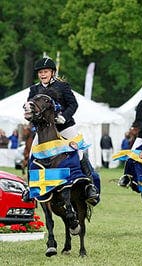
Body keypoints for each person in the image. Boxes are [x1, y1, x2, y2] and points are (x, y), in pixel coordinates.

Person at [25, 57, 98, 202]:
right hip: (44, 130)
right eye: (40, 72)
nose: (42, 75)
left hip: (64, 127)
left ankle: (90, 185)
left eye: (45, 72)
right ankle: (30, 187)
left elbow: (73, 104)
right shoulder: (34, 89)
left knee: (79, 151)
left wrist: (64, 116)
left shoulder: (62, 86)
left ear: (52, 72)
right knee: (32, 154)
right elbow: (31, 108)